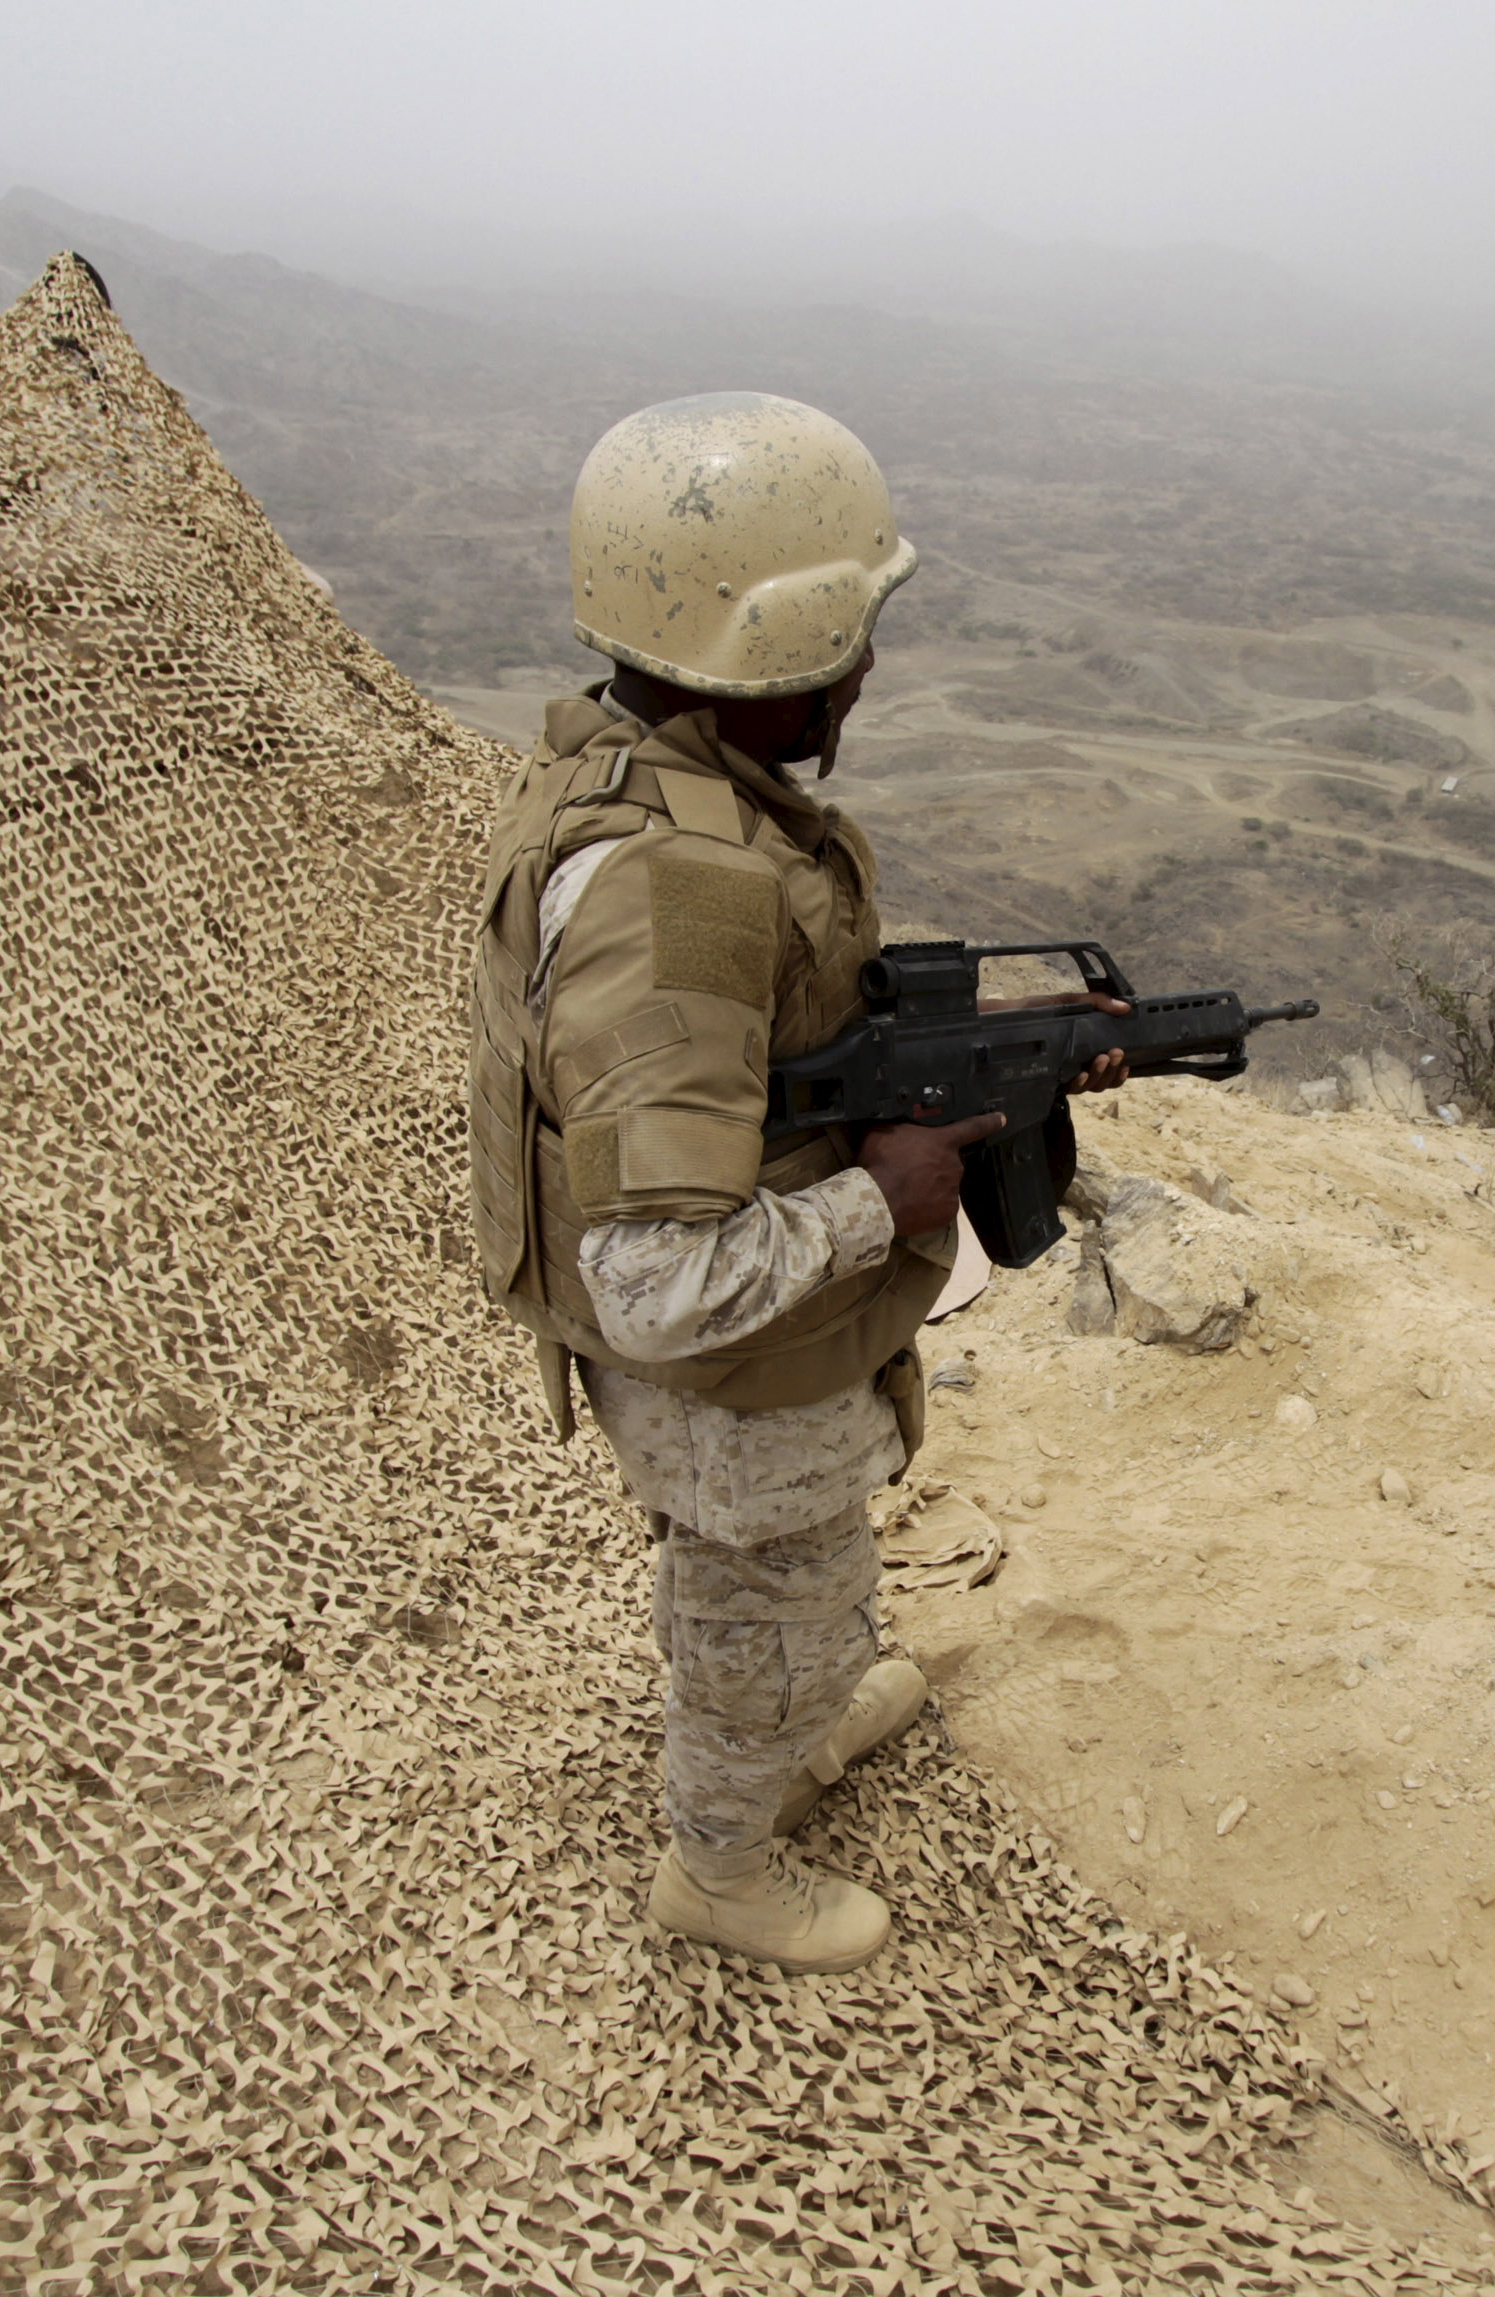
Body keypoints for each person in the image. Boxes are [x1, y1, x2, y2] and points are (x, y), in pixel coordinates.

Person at [464, 393, 1122, 1973]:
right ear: (768, 654)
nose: (867, 668)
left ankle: (792, 1722)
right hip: (732, 1379)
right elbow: (653, 1279)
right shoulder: (674, 891)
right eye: (847, 635)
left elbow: (770, 1039)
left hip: (778, 1357)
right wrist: (879, 1197)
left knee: (805, 1584)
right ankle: (723, 1859)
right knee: (757, 1599)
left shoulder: (647, 777)